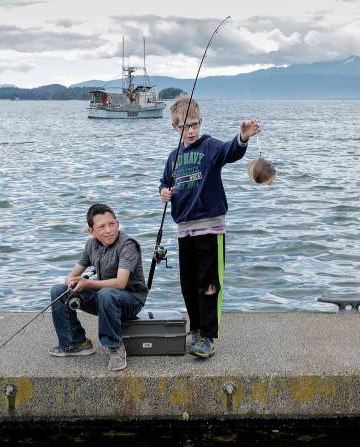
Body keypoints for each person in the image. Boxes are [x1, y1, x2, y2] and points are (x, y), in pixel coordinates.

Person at [158, 96, 259, 359]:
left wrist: (243, 137)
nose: (190, 131)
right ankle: (196, 328)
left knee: (209, 284)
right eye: (184, 127)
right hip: (184, 229)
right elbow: (165, 183)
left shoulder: (210, 146)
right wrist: (164, 192)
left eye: (194, 125)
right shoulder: (173, 158)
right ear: (174, 127)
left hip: (210, 229)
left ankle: (208, 336)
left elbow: (231, 151)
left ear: (201, 122)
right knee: (188, 285)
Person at [49, 203, 147, 371]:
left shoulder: (128, 245)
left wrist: (88, 283)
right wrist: (72, 282)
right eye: (101, 227)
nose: (108, 230)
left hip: (131, 300)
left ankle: (115, 347)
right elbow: (71, 275)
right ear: (91, 231)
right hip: (104, 297)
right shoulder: (91, 245)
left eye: (112, 224)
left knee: (106, 294)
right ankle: (75, 343)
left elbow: (120, 283)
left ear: (118, 223)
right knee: (59, 290)